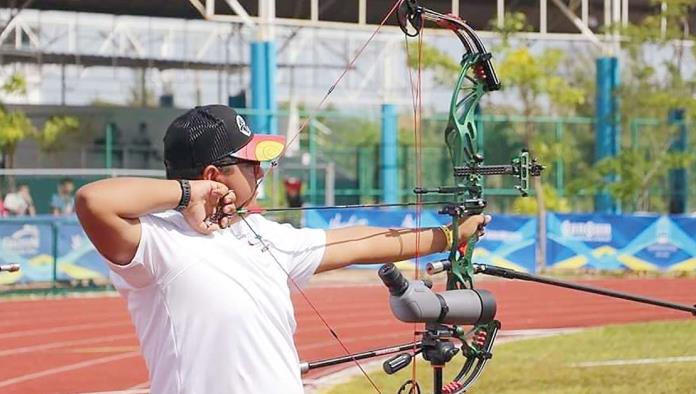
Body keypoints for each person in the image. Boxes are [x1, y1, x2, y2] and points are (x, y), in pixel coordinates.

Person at [75, 105, 490, 394]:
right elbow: (94, 201)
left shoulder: (260, 234)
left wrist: (450, 235)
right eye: (250, 164)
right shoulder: (158, 243)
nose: (261, 172)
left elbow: (363, 242)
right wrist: (188, 194)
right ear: (213, 175)